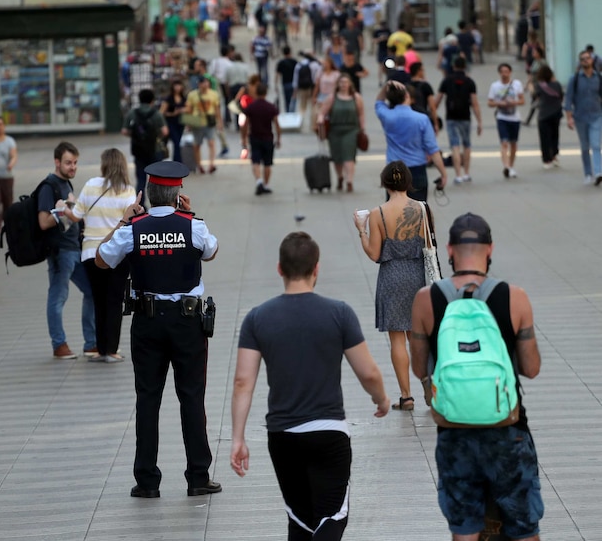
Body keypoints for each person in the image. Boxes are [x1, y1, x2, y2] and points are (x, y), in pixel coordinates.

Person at [231, 231, 389, 541]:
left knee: (300, 521)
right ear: (316, 268)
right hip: (328, 432)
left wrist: (238, 438)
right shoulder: (339, 313)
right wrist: (381, 399)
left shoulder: (257, 318)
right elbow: (368, 372)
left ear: (280, 269)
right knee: (331, 519)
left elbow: (242, 382)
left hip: (282, 436)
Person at [410, 213, 543, 541]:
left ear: (451, 250)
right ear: (490, 249)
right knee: (523, 526)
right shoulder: (516, 297)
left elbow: (418, 367)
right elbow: (531, 368)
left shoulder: (426, 299)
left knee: (465, 528)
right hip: (507, 430)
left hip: (454, 432)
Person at [96, 161, 220, 500]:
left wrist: (125, 219)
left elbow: (101, 260)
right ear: (178, 193)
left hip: (147, 322)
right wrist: (192, 216)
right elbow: (211, 251)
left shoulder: (133, 228)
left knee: (148, 399)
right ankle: (198, 476)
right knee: (191, 397)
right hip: (187, 321)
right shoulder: (191, 225)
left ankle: (147, 481)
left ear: (148, 194)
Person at [354, 161, 432, 411]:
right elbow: (429, 247)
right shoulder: (423, 209)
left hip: (392, 276)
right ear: (409, 182)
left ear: (385, 183)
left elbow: (375, 254)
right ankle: (430, 388)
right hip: (418, 276)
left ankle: (406, 396)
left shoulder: (377, 213)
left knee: (397, 339)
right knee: (418, 337)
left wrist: (361, 231)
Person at [63, 149, 135, 363]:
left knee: (99, 300)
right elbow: (130, 222)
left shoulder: (91, 185)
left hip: (91, 253)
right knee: (115, 300)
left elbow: (75, 216)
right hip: (117, 254)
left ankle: (100, 348)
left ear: (104, 165)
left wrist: (65, 206)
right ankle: (112, 350)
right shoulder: (128, 190)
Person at [36, 142, 96, 360]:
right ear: (57, 162)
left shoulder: (65, 184)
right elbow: (43, 222)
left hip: (75, 249)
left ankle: (92, 343)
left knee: (91, 291)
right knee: (58, 295)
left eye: (75, 163)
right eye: (68, 163)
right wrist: (63, 211)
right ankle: (59, 344)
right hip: (60, 251)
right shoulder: (48, 186)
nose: (73, 167)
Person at [375, 81, 448, 202]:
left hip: (394, 168)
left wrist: (386, 85)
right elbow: (433, 149)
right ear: (407, 96)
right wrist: (443, 173)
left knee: (394, 209)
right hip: (417, 169)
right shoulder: (421, 119)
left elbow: (378, 102)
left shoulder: (387, 116)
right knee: (417, 210)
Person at [434, 57, 483, 183]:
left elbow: (437, 100)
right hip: (465, 117)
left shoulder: (447, 80)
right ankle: (467, 173)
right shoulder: (469, 81)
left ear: (454, 66)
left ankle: (458, 175)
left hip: (451, 117)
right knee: (467, 145)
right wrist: (479, 121)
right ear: (464, 66)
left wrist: (432, 114)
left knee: (455, 146)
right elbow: (475, 103)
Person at [317, 73, 364, 193]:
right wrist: (320, 118)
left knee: (348, 156)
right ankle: (340, 177)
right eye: (341, 82)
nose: (343, 85)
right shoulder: (332, 97)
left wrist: (362, 129)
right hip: (335, 130)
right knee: (337, 157)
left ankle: (349, 181)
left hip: (351, 130)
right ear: (338, 84)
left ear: (350, 84)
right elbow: (322, 112)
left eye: (346, 82)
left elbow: (361, 114)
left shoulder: (356, 97)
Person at [564, 50, 602, 185]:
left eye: (587, 58)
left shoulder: (599, 77)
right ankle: (588, 173)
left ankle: (598, 172)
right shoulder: (574, 79)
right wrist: (569, 117)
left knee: (596, 145)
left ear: (592, 60)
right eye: (582, 59)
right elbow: (568, 100)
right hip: (580, 117)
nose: (585, 60)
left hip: (596, 115)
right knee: (585, 146)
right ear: (580, 62)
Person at [123, 89, 168, 198]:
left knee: (141, 180)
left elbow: (124, 131)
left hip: (139, 150)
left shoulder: (132, 113)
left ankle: (140, 204)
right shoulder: (156, 113)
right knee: (157, 179)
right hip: (155, 150)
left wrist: (136, 136)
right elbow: (165, 131)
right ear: (152, 100)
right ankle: (159, 202)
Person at [241, 83, 281, 196]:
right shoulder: (271, 107)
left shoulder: (251, 107)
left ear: (256, 93)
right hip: (268, 138)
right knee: (268, 163)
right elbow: (277, 124)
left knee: (256, 161)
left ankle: (259, 181)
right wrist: (279, 138)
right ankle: (266, 185)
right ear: (266, 93)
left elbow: (245, 124)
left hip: (255, 137)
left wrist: (243, 138)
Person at [487, 64, 525, 179]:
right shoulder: (495, 86)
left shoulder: (517, 84)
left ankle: (511, 165)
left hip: (515, 117)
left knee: (513, 143)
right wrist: (500, 103)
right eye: (502, 72)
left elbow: (522, 100)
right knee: (504, 142)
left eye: (507, 71)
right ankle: (507, 166)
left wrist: (514, 102)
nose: (504, 74)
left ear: (510, 72)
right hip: (502, 117)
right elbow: (490, 102)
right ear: (499, 73)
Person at [184, 76, 223, 174]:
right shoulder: (192, 95)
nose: (205, 85)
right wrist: (188, 123)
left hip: (209, 121)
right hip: (197, 122)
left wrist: (220, 122)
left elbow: (217, 108)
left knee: (211, 143)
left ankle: (211, 164)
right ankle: (199, 165)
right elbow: (189, 109)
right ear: (199, 84)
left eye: (207, 83)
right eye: (203, 83)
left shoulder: (213, 94)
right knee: (197, 145)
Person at [535, 65, 564, 170]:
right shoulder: (557, 84)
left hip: (543, 114)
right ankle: (554, 155)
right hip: (556, 113)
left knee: (544, 138)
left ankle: (546, 159)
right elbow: (561, 97)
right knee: (555, 135)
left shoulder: (539, 86)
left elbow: (536, 97)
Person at [160, 80, 187, 163]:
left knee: (178, 142)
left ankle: (177, 161)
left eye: (179, 85)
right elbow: (161, 112)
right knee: (176, 142)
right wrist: (172, 113)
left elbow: (189, 108)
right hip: (170, 123)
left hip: (180, 123)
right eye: (176, 86)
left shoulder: (183, 98)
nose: (178, 88)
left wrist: (182, 110)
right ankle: (178, 162)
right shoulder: (169, 99)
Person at [293, 53, 321, 130]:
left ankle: (300, 125)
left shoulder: (299, 65)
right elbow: (318, 77)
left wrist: (295, 90)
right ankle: (313, 126)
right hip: (312, 88)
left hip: (302, 88)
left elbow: (295, 78)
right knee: (313, 107)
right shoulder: (315, 65)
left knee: (302, 107)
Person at [275, 46, 298, 113]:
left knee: (287, 100)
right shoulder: (294, 62)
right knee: (294, 99)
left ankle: (288, 112)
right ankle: (292, 112)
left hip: (285, 83)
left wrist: (276, 85)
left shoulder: (281, 63)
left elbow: (277, 74)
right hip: (294, 83)